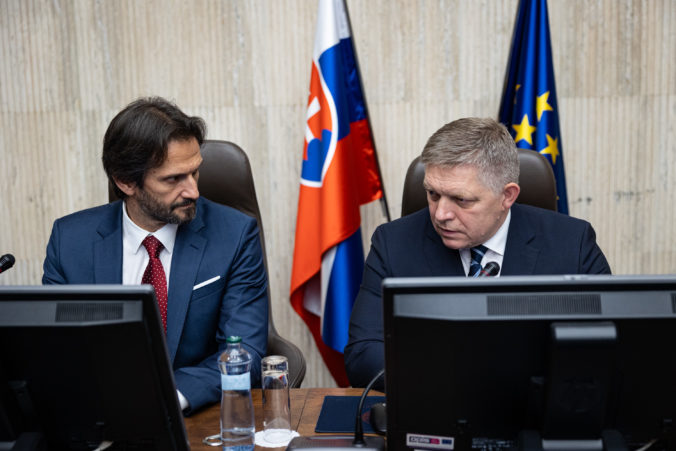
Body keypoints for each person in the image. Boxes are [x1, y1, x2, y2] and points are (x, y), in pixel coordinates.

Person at [344, 117, 611, 389]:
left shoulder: (573, 243)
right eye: (433, 194)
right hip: (436, 402)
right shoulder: (393, 243)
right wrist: (454, 381)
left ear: (507, 196)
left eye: (461, 199)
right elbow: (363, 354)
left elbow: (609, 346)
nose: (441, 214)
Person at [42, 97, 268, 414]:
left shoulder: (235, 235)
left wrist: (167, 399)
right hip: (101, 415)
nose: (193, 191)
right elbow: (55, 350)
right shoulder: (70, 241)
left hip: (196, 414)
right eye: (173, 179)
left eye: (195, 172)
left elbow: (245, 352)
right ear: (125, 181)